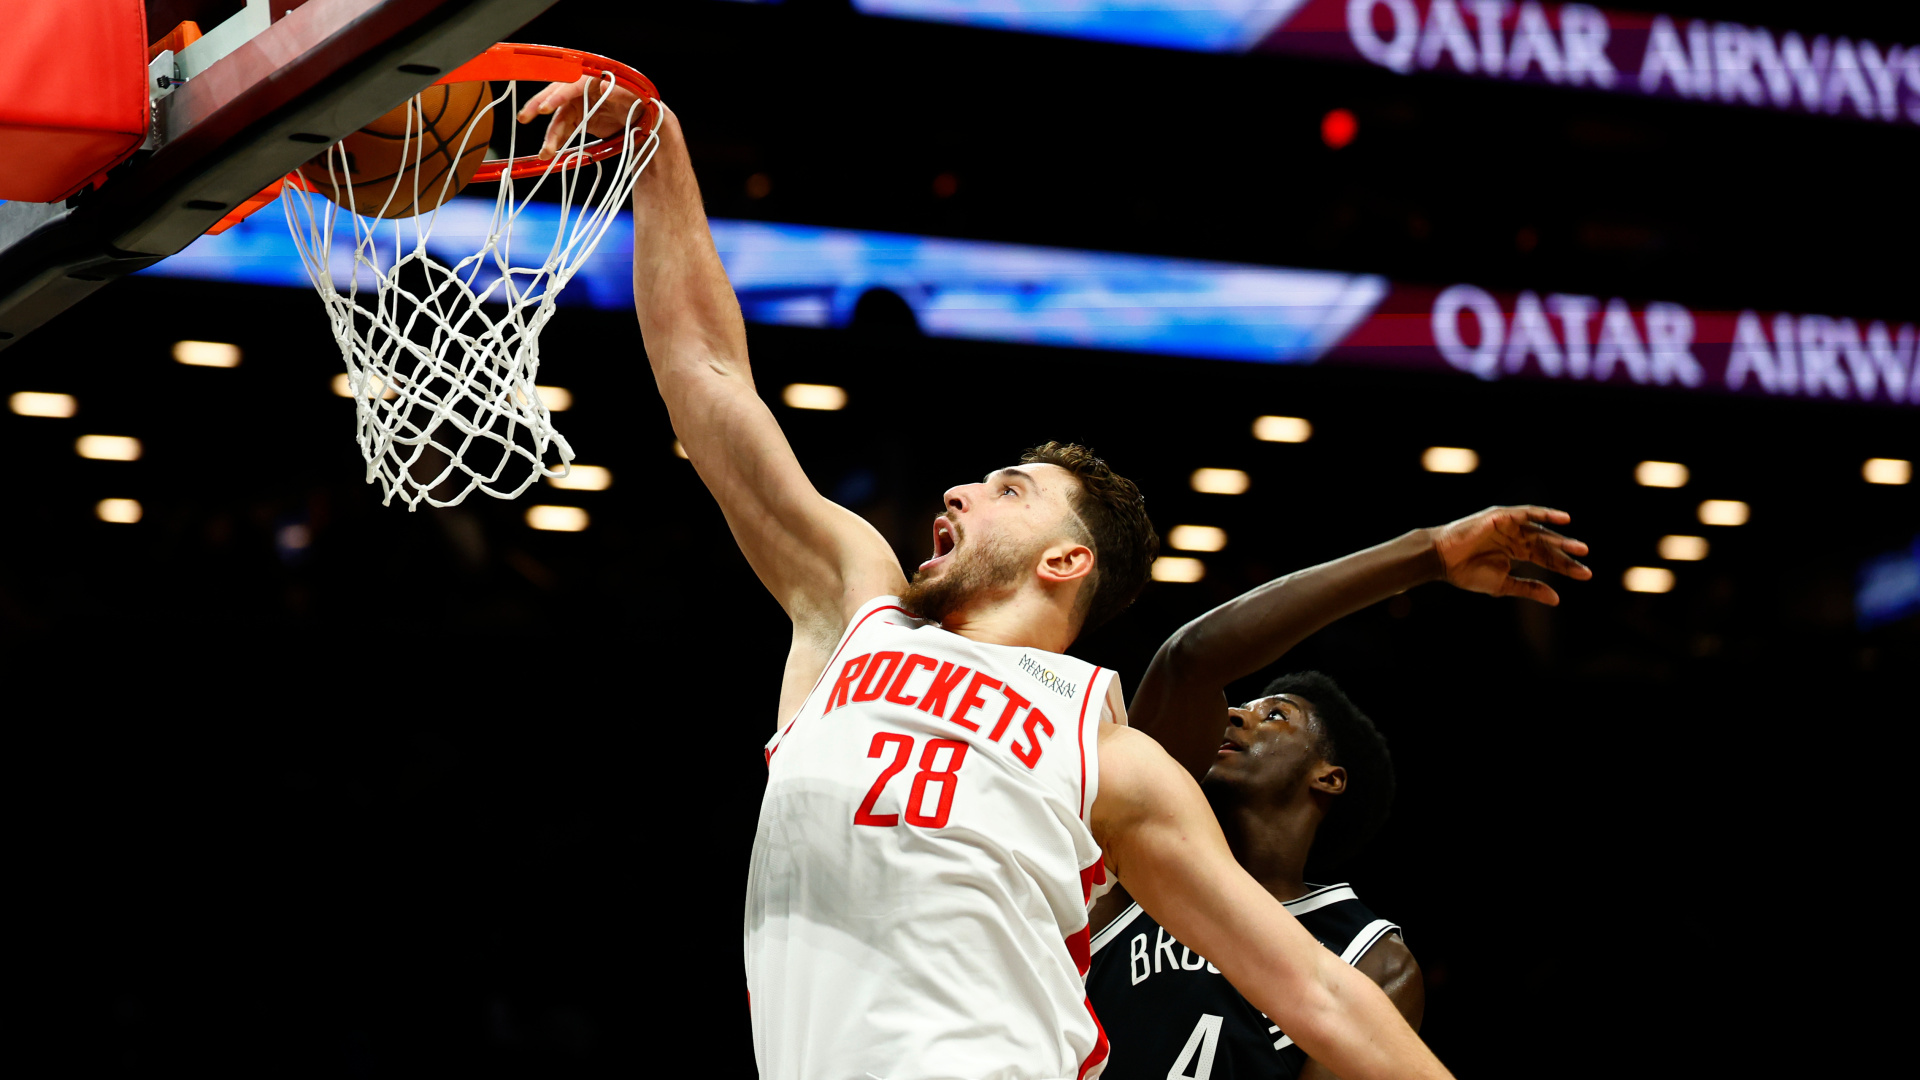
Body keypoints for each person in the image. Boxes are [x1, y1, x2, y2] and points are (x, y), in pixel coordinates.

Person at [519, 80, 1461, 1080]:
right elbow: (708, 379)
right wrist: (658, 156)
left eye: (1009, 489)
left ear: (1068, 560)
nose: (962, 491)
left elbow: (1314, 991)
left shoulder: (1110, 749)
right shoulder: (856, 616)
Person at [1088, 511, 1592, 1078]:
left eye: (1273, 714)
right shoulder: (1139, 860)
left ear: (1328, 777)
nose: (1234, 715)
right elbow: (1188, 663)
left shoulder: (1369, 956)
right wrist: (1427, 554)